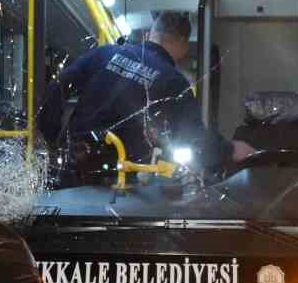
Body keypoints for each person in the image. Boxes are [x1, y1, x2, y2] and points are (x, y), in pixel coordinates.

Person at [38, 9, 249, 175]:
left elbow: (57, 87)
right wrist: (229, 150)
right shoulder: (173, 81)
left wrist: (51, 136)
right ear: (183, 44)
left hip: (71, 163)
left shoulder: (105, 53)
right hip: (119, 178)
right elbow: (193, 137)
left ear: (150, 34)